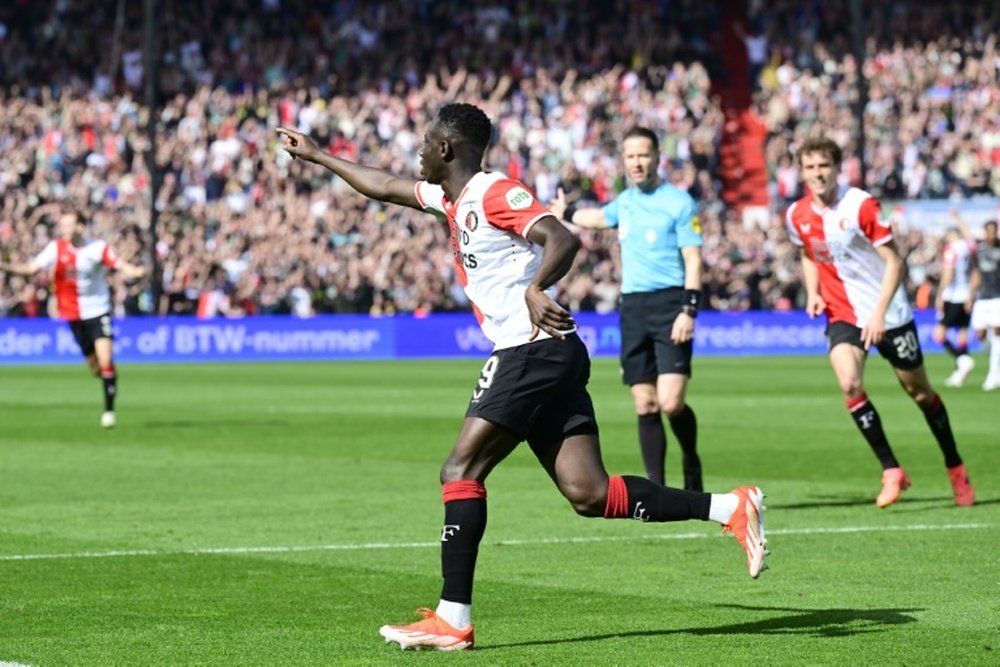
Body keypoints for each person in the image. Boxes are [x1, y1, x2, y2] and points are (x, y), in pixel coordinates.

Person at [276, 103, 767, 652]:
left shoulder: (493, 192)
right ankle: (730, 507)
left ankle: (452, 618)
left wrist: (536, 288)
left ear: (445, 150)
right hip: (551, 352)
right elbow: (385, 185)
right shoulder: (448, 198)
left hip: (530, 349)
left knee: (460, 468)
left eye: (424, 141)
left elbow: (562, 238)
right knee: (590, 492)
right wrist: (318, 156)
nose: (416, 150)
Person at [785, 136, 974, 508]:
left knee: (920, 394)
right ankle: (891, 470)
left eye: (823, 165)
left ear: (837, 167)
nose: (817, 173)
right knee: (849, 382)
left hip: (889, 314)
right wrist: (813, 291)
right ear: (802, 172)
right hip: (843, 314)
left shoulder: (860, 206)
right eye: (810, 167)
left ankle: (956, 468)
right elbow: (807, 254)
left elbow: (894, 262)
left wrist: (878, 313)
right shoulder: (797, 215)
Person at [549, 127, 705, 492]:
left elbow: (694, 259)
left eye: (644, 155)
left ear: (657, 158)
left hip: (671, 303)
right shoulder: (626, 202)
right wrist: (566, 211)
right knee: (645, 402)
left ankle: (691, 462)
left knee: (671, 401)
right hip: (633, 307)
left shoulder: (679, 202)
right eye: (631, 156)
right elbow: (600, 218)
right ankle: (658, 487)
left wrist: (689, 308)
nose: (637, 162)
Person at [0, 208, 147, 428]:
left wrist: (135, 272)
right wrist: (5, 266)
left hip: (98, 310)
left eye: (68, 225)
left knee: (105, 358)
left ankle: (109, 412)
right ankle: (109, 378)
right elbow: (31, 268)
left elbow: (119, 264)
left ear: (80, 226)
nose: (64, 229)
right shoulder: (55, 248)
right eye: (63, 225)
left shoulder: (96, 248)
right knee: (95, 368)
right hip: (73, 315)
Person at [933, 213, 977, 387]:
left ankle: (962, 359)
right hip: (968, 295)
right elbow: (969, 234)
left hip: (953, 296)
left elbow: (948, 272)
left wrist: (940, 294)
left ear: (952, 235)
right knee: (962, 331)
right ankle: (960, 371)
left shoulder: (951, 249)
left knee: (939, 334)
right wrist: (959, 218)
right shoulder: (968, 246)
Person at [970, 220, 1000, 390]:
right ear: (985, 232)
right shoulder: (979, 251)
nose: (992, 234)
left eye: (995, 231)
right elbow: (977, 272)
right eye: (989, 231)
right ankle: (996, 364)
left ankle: (993, 374)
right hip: (982, 297)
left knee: (997, 333)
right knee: (980, 334)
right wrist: (970, 295)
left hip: (998, 297)